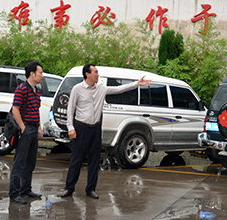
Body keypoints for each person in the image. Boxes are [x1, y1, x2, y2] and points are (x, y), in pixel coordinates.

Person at [59, 64, 151, 199]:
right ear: (87, 74)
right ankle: (69, 188)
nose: (98, 75)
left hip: (95, 129)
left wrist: (137, 84)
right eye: (95, 72)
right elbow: (70, 109)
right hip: (81, 128)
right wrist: (70, 128)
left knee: (94, 160)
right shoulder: (77, 89)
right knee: (76, 160)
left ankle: (91, 189)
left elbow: (119, 89)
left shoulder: (101, 88)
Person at [9, 61, 44, 204]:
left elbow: (36, 110)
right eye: (40, 72)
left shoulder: (36, 90)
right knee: (20, 162)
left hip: (34, 129)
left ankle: (26, 189)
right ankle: (14, 193)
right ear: (32, 74)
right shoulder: (22, 89)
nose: (42, 75)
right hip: (26, 129)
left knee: (30, 162)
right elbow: (15, 109)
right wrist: (23, 127)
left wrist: (39, 127)